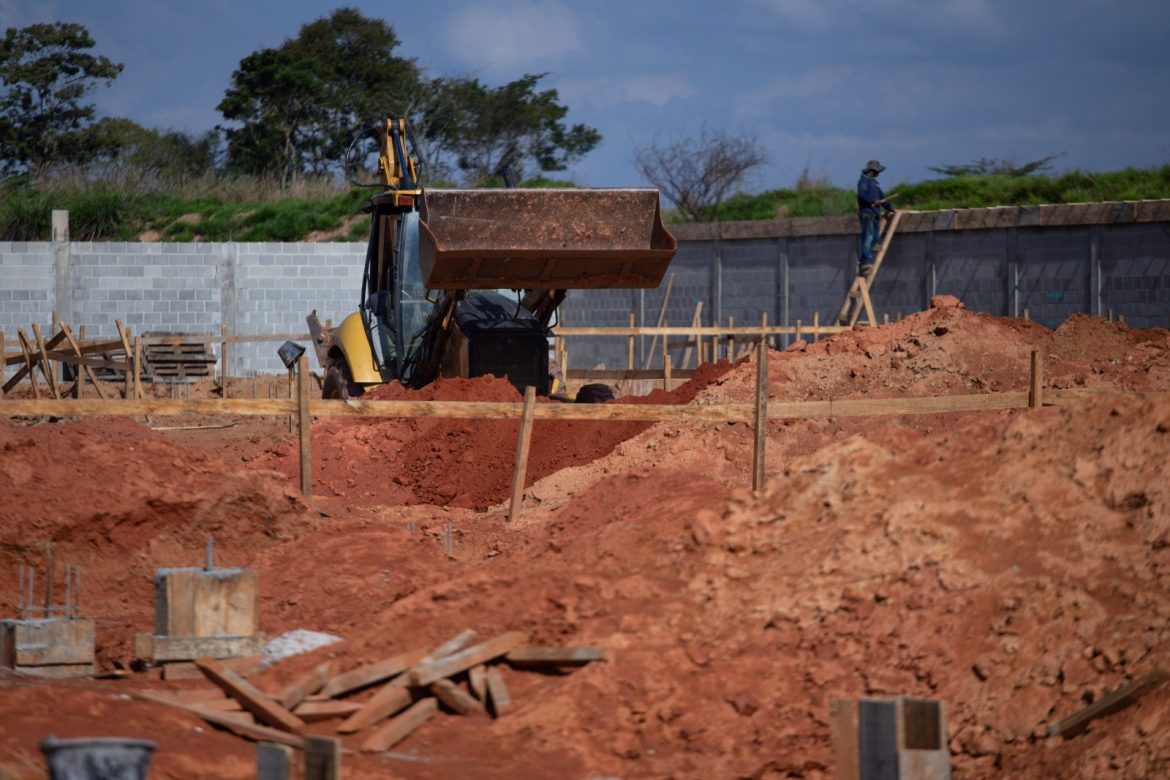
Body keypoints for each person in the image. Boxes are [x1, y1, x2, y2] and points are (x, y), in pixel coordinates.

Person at [857, 160, 895, 275]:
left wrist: (889, 208)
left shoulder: (875, 183)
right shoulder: (863, 181)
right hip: (867, 213)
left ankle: (865, 260)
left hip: (875, 214)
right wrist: (873, 201)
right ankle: (865, 262)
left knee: (874, 238)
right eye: (877, 171)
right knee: (868, 237)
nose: (879, 173)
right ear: (872, 171)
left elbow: (882, 198)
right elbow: (862, 195)